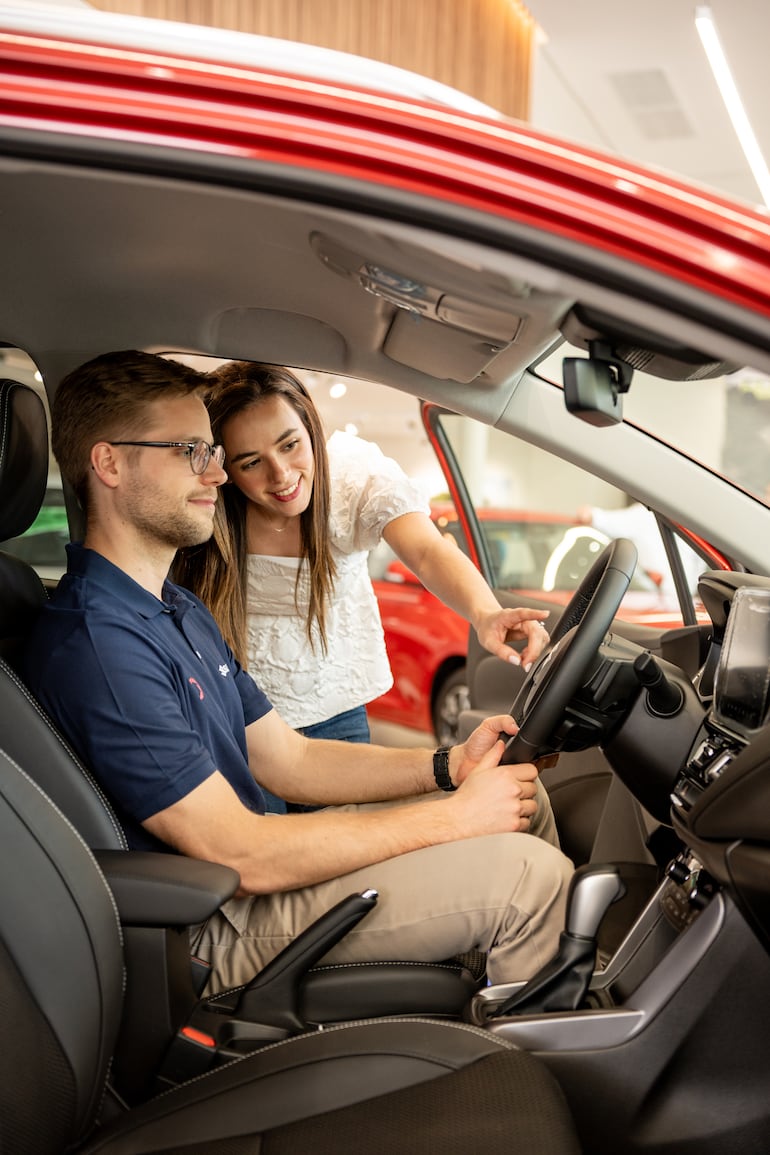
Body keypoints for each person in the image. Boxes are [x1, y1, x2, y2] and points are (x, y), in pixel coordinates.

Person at [23, 349, 573, 996]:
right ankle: (520, 1070)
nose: (218, 476)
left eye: (213, 454)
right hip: (216, 922)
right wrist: (456, 817)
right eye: (191, 453)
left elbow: (289, 758)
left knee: (523, 808)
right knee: (530, 878)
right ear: (109, 462)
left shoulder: (175, 608)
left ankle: (468, 1001)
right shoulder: (100, 645)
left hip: (255, 877)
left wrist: (451, 767)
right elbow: (239, 850)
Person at [173, 361, 550, 811]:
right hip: (240, 724)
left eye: (290, 444)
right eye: (251, 462)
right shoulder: (211, 506)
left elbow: (428, 551)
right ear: (226, 468)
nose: (281, 475)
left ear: (311, 428)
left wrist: (485, 611)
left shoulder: (352, 477)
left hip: (336, 714)